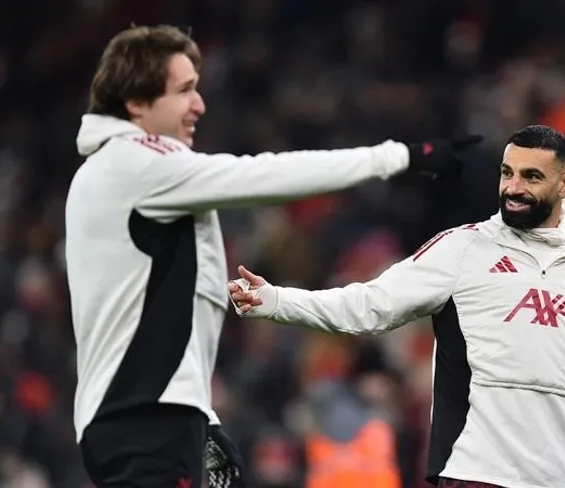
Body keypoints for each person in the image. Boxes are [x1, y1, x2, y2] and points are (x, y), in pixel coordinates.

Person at [64, 24, 480, 488]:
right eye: (183, 91)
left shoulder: (116, 173)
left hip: (141, 414)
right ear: (136, 102)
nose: (199, 104)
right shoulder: (136, 165)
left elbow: (159, 317)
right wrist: (399, 157)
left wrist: (202, 416)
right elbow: (262, 175)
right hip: (146, 418)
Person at [228, 124, 565, 487]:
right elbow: (370, 305)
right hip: (478, 474)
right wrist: (277, 299)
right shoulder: (463, 249)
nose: (513, 187)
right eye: (507, 173)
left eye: (531, 177)